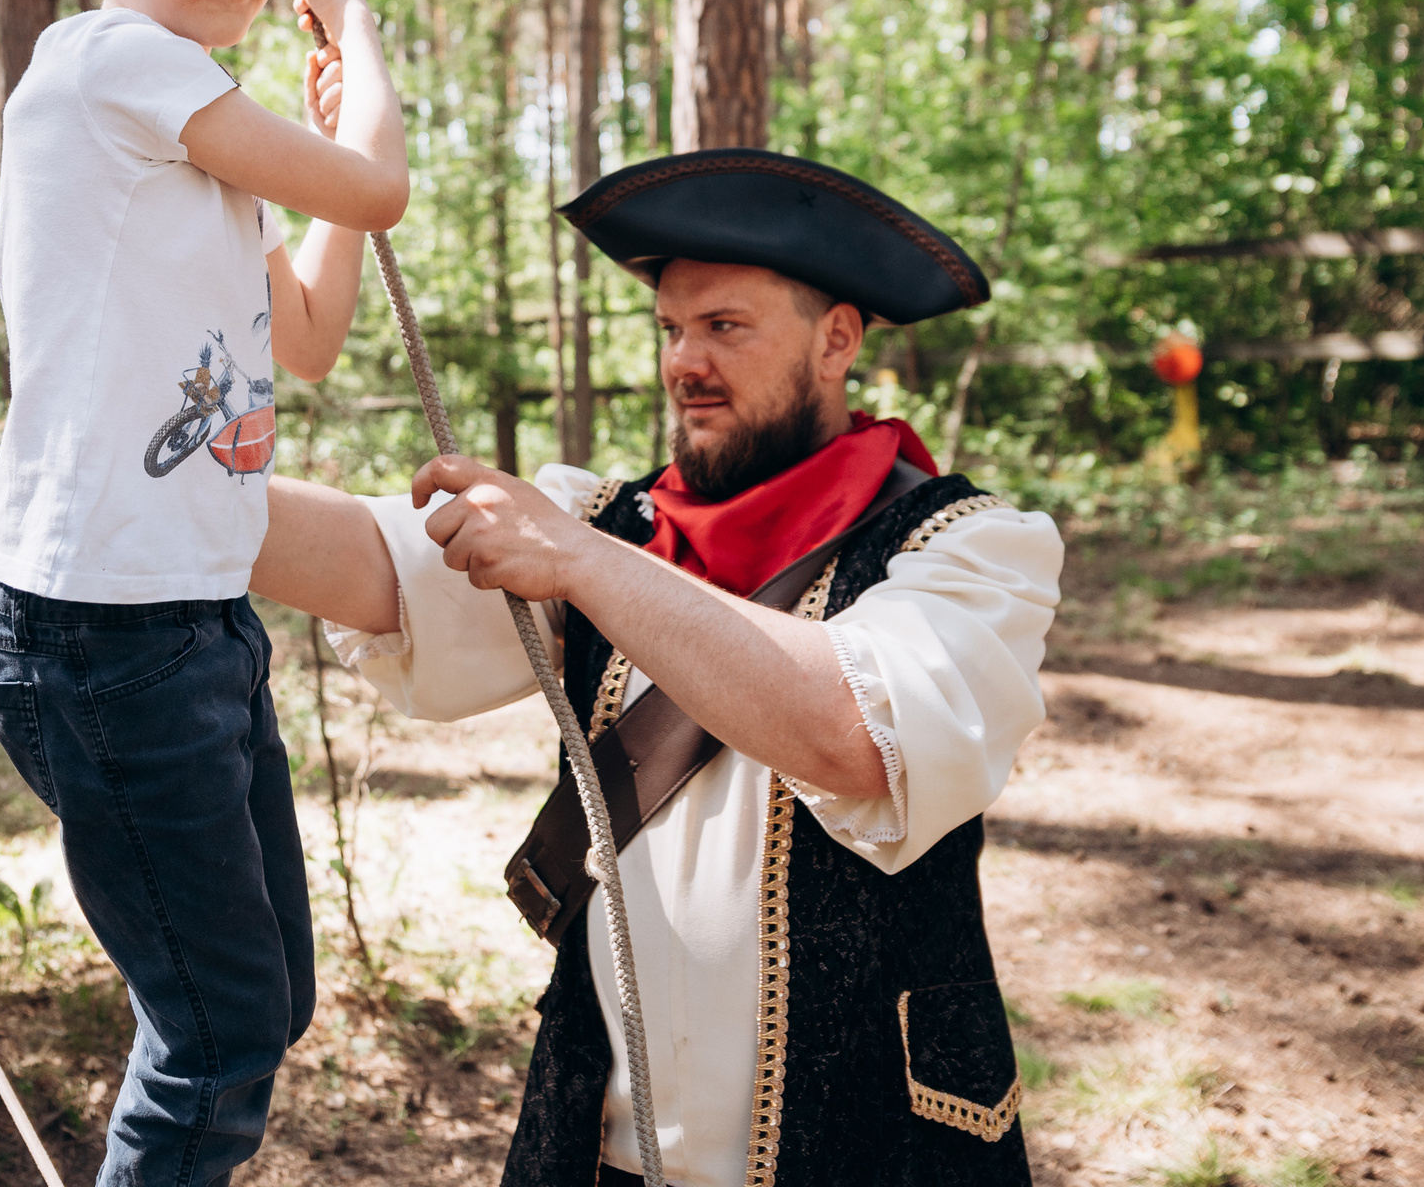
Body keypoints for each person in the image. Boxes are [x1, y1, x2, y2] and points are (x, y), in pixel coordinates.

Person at [254, 149, 1062, 1187]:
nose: (684, 361)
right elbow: (377, 564)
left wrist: (582, 563)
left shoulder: (966, 547)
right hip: (598, 1148)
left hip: (873, 1148)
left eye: (725, 326)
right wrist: (158, 487)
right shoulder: (606, 521)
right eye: (672, 331)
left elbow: (855, 734)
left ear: (837, 339)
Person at [0, 0, 409, 1187]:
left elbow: (319, 326)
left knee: (265, 998)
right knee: (217, 1035)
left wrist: (333, 146)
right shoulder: (109, 65)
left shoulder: (195, 148)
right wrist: (362, 42)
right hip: (102, 635)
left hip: (193, 623)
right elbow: (384, 187)